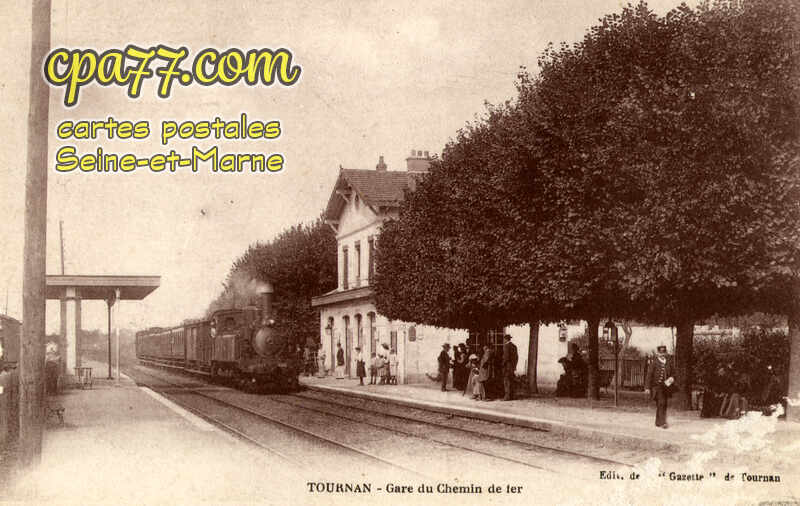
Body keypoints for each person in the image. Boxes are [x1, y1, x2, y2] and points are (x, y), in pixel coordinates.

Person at [645, 345, 675, 429]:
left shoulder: (668, 362)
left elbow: (673, 373)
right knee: (661, 402)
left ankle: (658, 422)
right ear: (657, 353)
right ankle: (662, 422)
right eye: (660, 353)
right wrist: (647, 387)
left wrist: (672, 377)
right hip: (656, 387)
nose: (662, 354)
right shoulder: (654, 363)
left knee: (663, 404)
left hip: (666, 386)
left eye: (664, 352)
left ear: (666, 353)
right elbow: (649, 375)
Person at [502, 334, 519, 401]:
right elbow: (516, 357)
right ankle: (513, 396)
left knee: (506, 381)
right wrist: (514, 365)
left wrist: (503, 364)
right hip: (512, 366)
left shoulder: (506, 346)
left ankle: (507, 396)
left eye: (504, 339)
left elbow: (506, 357)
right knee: (512, 381)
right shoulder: (514, 346)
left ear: (506, 339)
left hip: (507, 366)